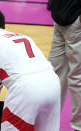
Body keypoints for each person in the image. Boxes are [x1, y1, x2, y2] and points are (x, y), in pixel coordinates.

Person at [48, 0, 81, 130]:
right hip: (59, 21)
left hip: (75, 25)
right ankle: (49, 122)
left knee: (77, 79)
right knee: (53, 75)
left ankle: (79, 127)